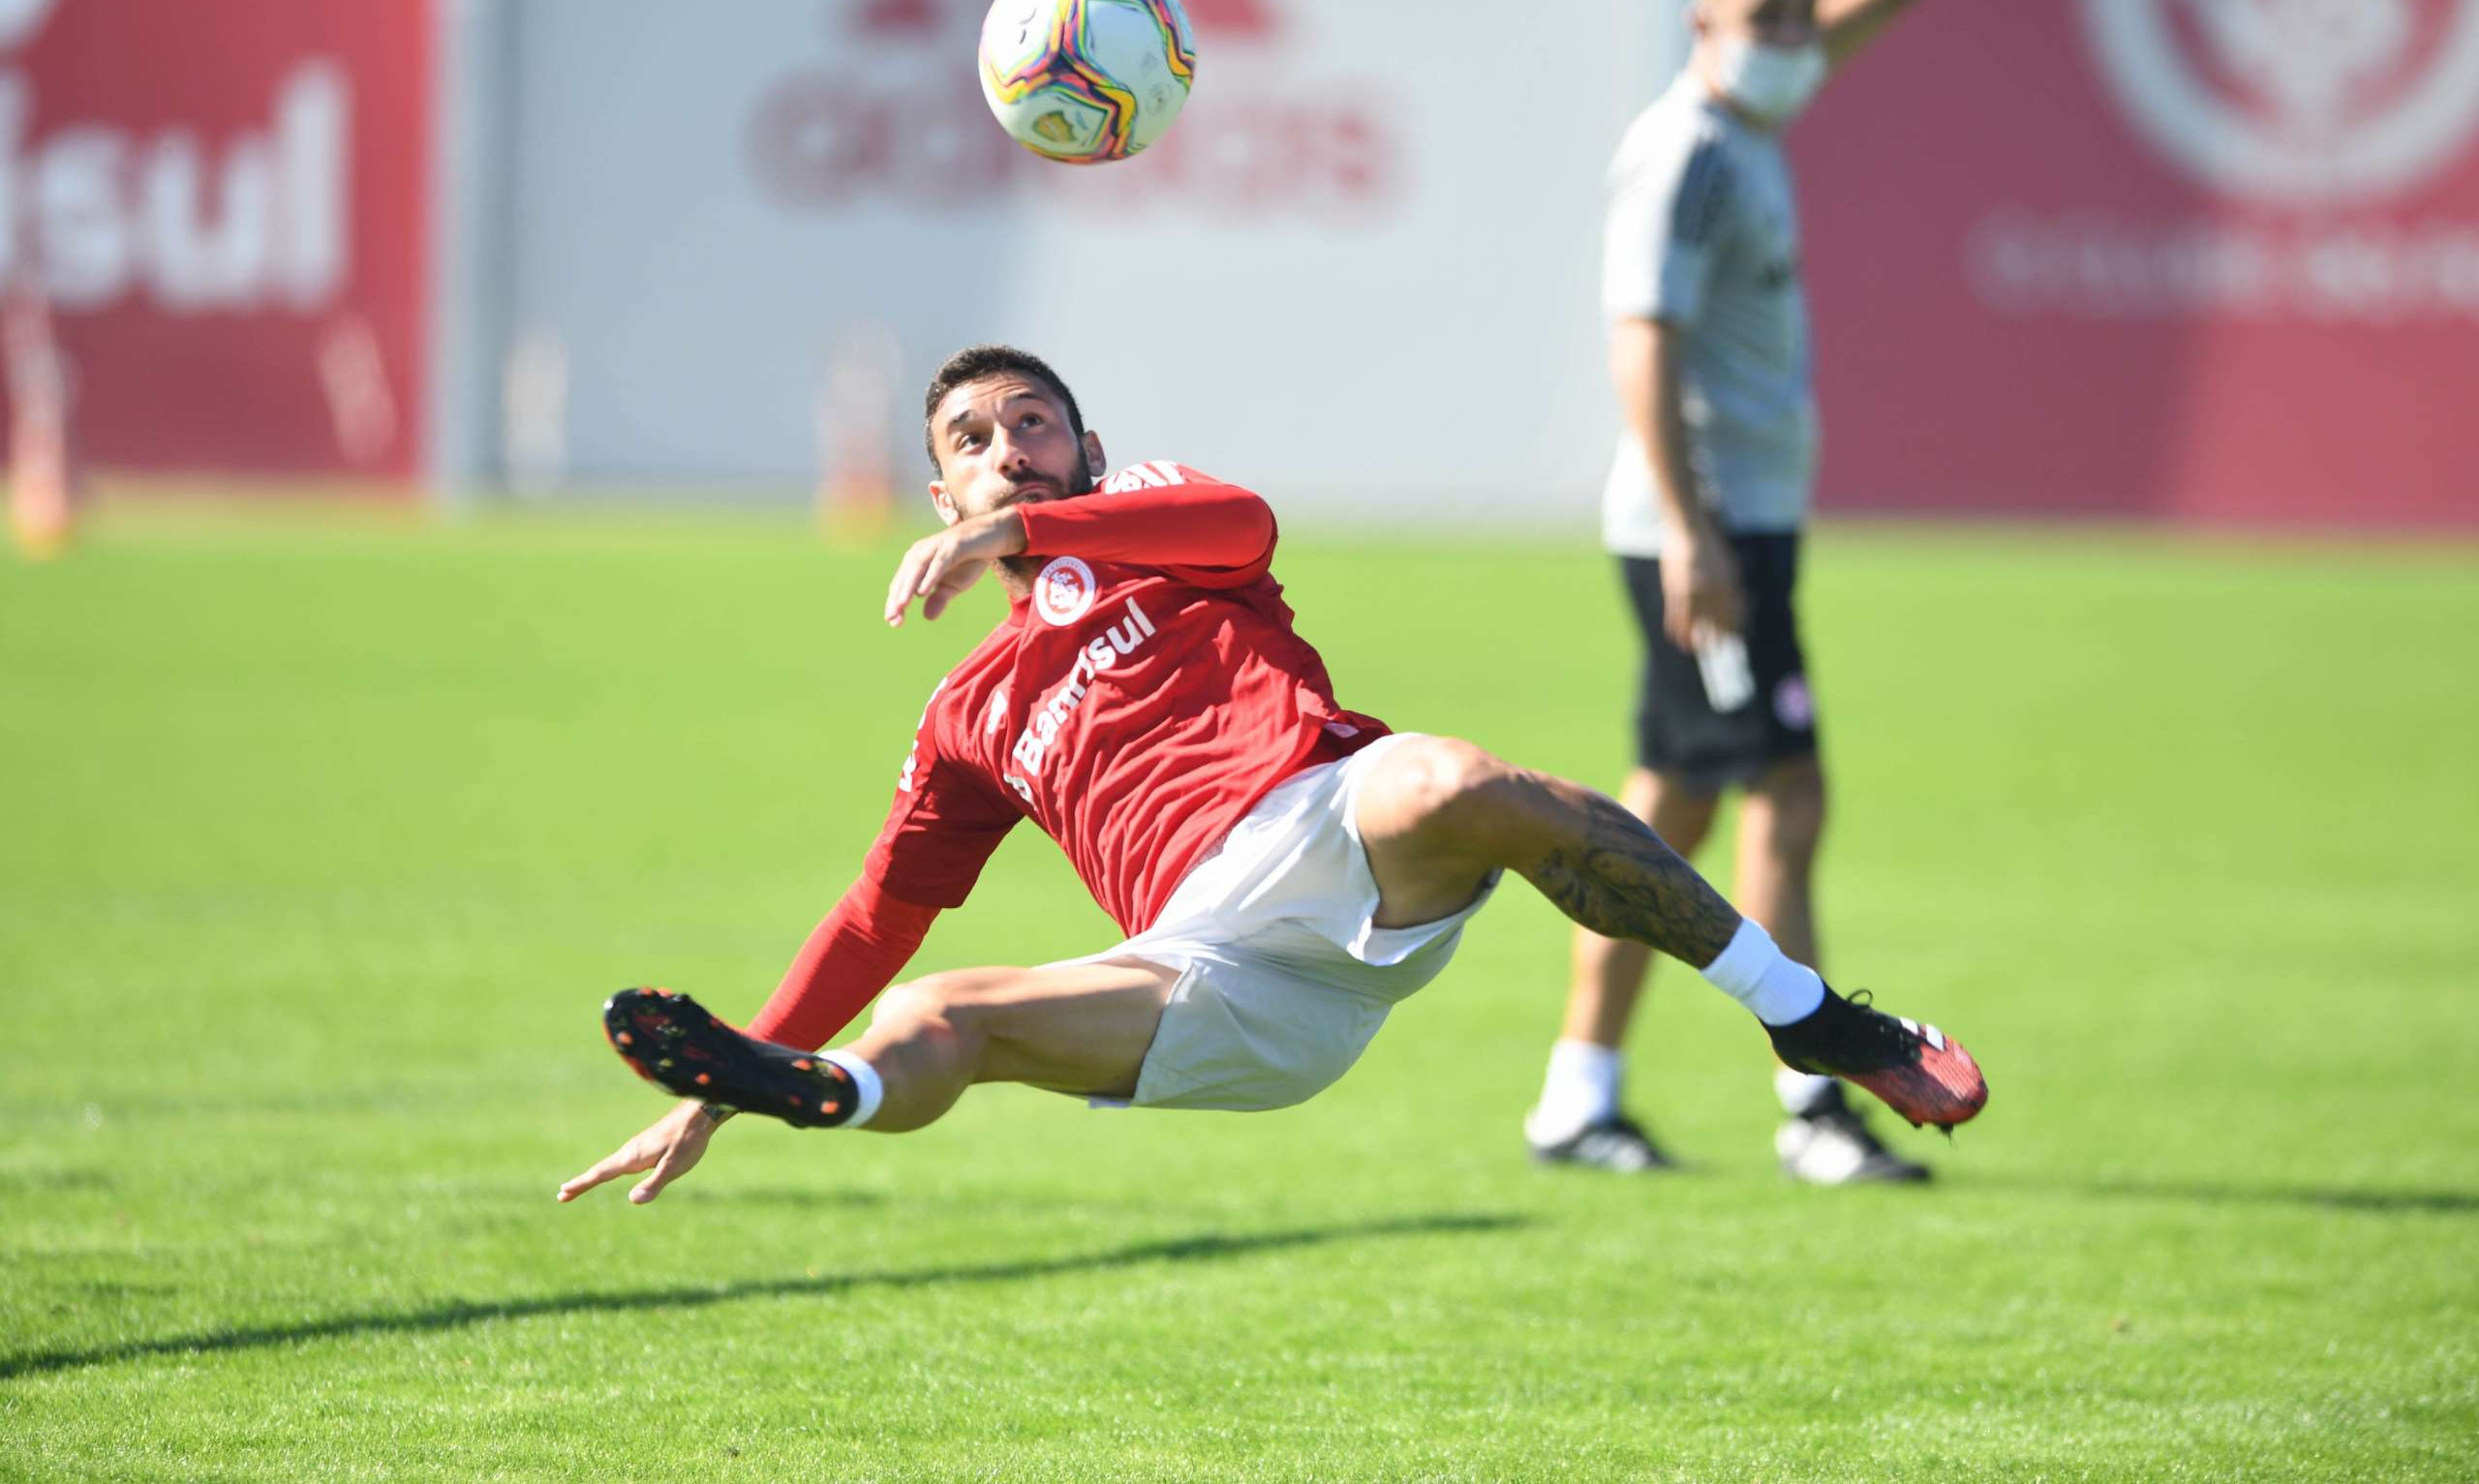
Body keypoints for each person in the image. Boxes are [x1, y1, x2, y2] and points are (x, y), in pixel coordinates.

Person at [559, 347, 1983, 1207]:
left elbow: (1246, 519)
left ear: (1092, 450)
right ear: (938, 499)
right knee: (940, 1008)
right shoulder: (966, 711)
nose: (1010, 451)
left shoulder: (1155, 518)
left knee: (1454, 781)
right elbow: (881, 918)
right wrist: (720, 1086)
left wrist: (1039, 535)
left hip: (1331, 822)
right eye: (973, 444)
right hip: (1210, 973)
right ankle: (814, 1093)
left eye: (1033, 422)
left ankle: (1808, 1022)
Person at [1525, 0, 2017, 1184]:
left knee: (1656, 832)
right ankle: (1819, 1110)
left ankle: (1580, 1095)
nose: (1799, 38)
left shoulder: (1745, 120)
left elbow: (1814, 41)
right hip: (1711, 527)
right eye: (1771, 17)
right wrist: (1694, 533)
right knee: (1784, 799)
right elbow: (1643, 343)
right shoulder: (1685, 153)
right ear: (1703, 29)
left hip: (1735, 519)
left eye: (1806, 11)